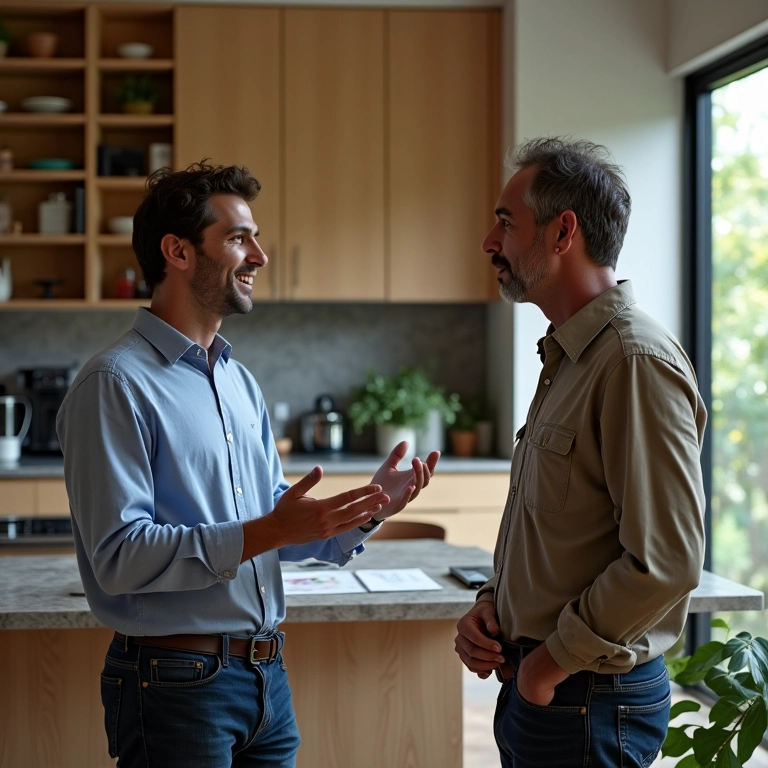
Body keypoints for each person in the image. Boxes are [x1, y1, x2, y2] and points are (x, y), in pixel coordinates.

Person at [56, 161, 440, 768]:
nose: (260, 255)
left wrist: (364, 511)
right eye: (238, 238)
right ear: (177, 251)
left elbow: (268, 529)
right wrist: (271, 530)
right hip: (173, 682)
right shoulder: (114, 384)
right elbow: (118, 558)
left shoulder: (238, 380)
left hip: (265, 678)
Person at [454, 138, 706, 767]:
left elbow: (667, 560)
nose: (490, 242)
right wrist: (492, 607)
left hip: (586, 696)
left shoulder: (633, 361)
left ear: (563, 232)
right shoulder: (568, 358)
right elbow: (557, 531)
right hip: (552, 692)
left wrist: (544, 667)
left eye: (506, 222)